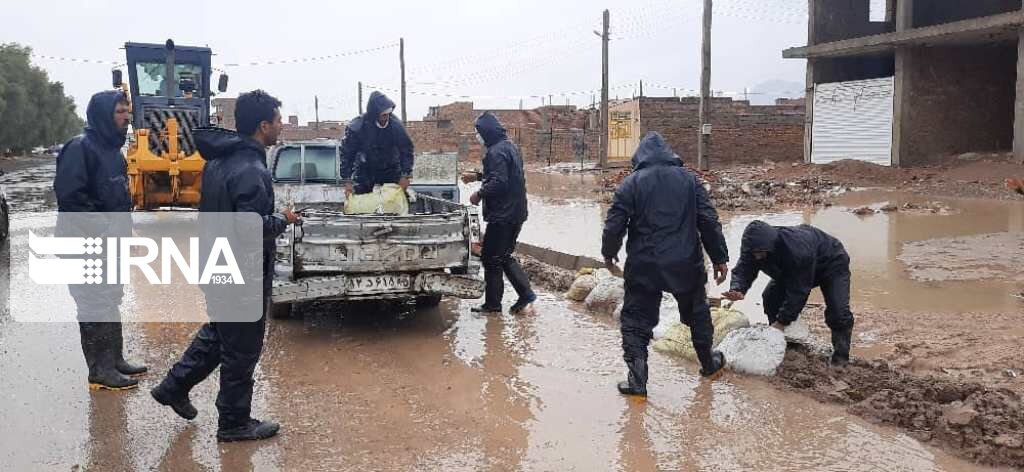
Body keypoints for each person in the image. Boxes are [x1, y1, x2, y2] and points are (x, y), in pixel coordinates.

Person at [150, 90, 300, 442]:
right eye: (278, 121)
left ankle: (173, 387)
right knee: (242, 349)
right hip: (240, 271)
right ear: (263, 127)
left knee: (221, 334)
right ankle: (234, 422)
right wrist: (283, 218)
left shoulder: (220, 161)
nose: (281, 126)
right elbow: (250, 229)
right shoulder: (250, 168)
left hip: (215, 262)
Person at [602, 132, 729, 397]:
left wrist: (609, 253)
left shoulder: (630, 184)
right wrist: (719, 258)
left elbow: (614, 225)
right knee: (697, 313)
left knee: (636, 320)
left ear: (640, 157)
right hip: (685, 263)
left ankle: (637, 382)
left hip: (644, 264)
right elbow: (708, 220)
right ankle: (708, 364)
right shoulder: (690, 181)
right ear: (670, 155)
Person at [54, 90, 147, 391]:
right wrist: (104, 229)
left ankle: (115, 360)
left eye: (126, 112)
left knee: (109, 298)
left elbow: (119, 198)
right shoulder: (80, 148)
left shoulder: (114, 152)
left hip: (110, 245)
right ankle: (100, 370)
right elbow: (72, 200)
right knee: (94, 303)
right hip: (84, 245)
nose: (126, 117)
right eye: (119, 112)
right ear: (103, 115)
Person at [723, 221, 855, 367]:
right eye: (754, 254)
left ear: (771, 246)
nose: (758, 257)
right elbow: (743, 269)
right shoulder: (752, 250)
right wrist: (737, 288)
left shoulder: (796, 249)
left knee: (838, 312)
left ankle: (840, 359)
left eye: (761, 253)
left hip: (831, 264)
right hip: (790, 271)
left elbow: (799, 291)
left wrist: (782, 321)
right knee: (770, 297)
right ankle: (786, 342)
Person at [462, 112, 536, 314]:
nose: (478, 137)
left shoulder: (495, 152)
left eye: (478, 133)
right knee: (502, 255)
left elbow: (499, 182)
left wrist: (479, 194)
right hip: (517, 212)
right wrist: (477, 176)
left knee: (490, 257)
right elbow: (503, 174)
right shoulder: (510, 147)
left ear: (486, 132)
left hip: (503, 215)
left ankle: (494, 305)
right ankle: (525, 294)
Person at [339, 91, 414, 196]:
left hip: (390, 168)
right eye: (383, 115)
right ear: (374, 114)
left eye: (388, 114)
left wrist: (405, 175)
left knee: (395, 199)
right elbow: (347, 154)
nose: (386, 117)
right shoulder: (358, 127)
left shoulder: (396, 126)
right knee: (360, 198)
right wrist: (347, 181)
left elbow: (406, 149)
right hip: (365, 169)